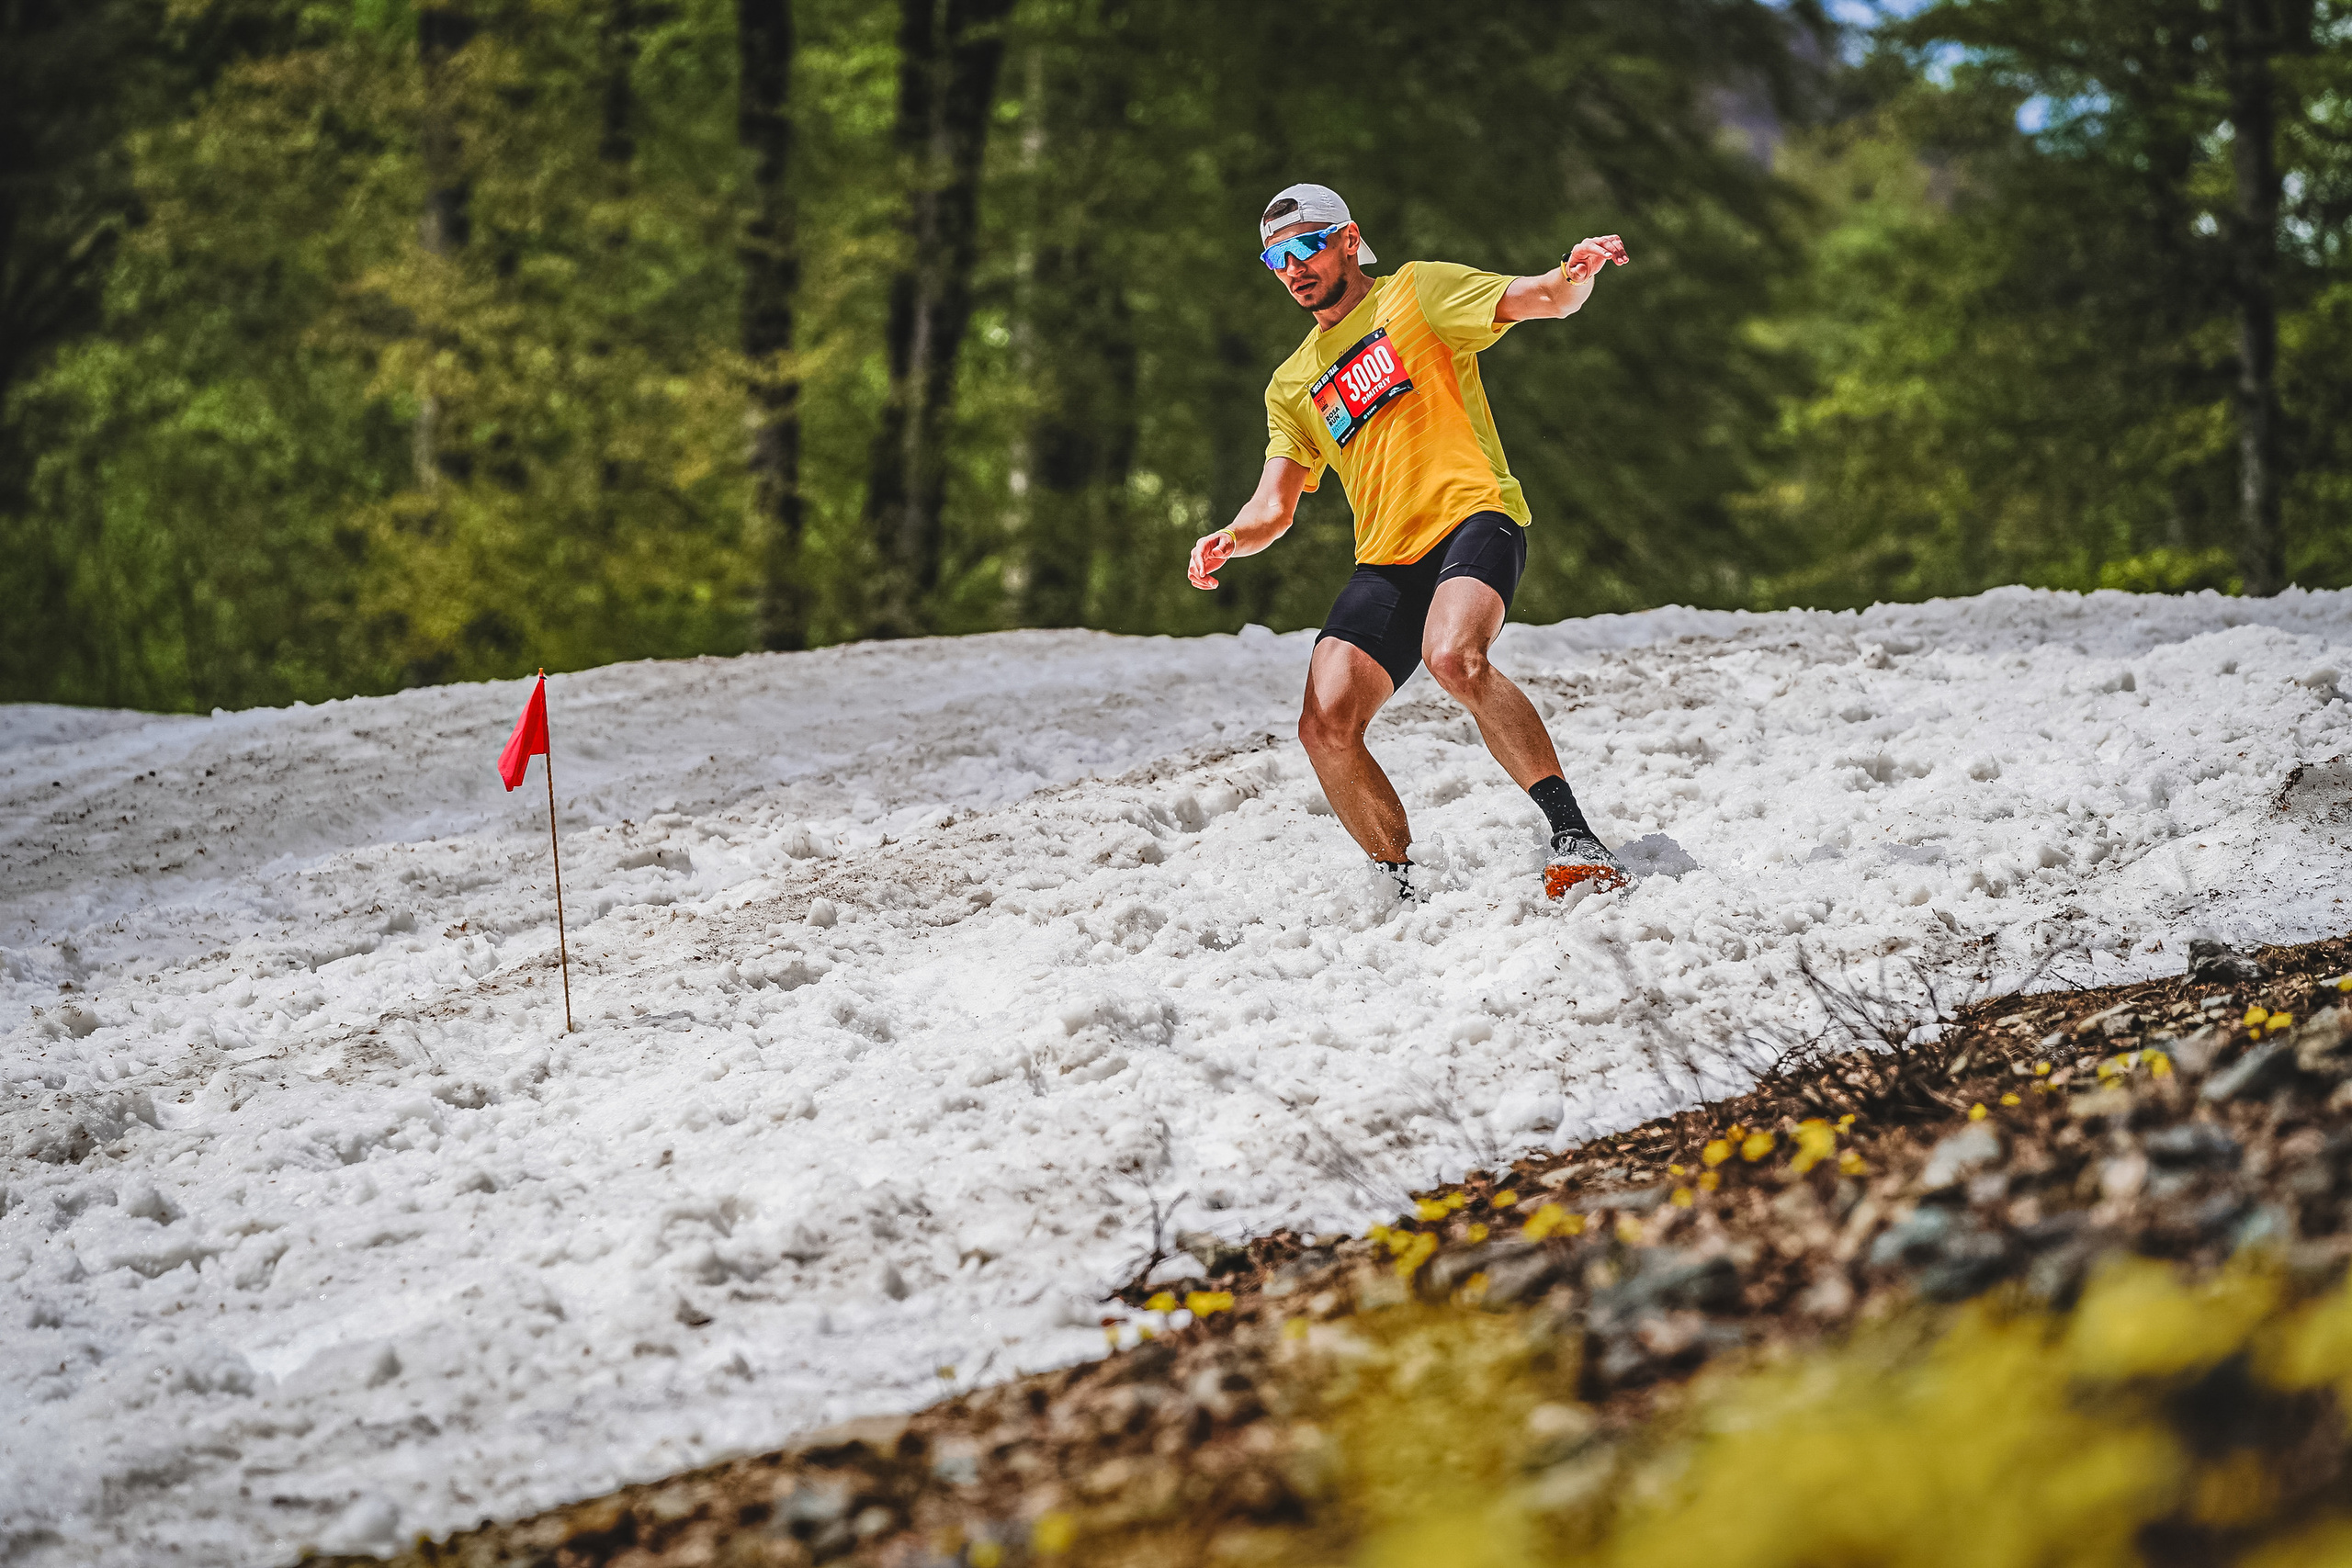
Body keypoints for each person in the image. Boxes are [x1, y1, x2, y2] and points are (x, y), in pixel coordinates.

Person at [1187, 183, 1631, 903]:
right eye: (1275, 259)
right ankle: (1398, 880)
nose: (1293, 268)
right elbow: (1275, 504)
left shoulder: (1417, 293)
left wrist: (1574, 274)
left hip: (1475, 517)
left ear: (1349, 239)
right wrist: (1232, 538)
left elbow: (1540, 298)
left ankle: (1574, 836)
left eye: (1305, 247)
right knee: (1324, 722)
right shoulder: (1293, 382)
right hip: (1388, 560)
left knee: (1454, 657)